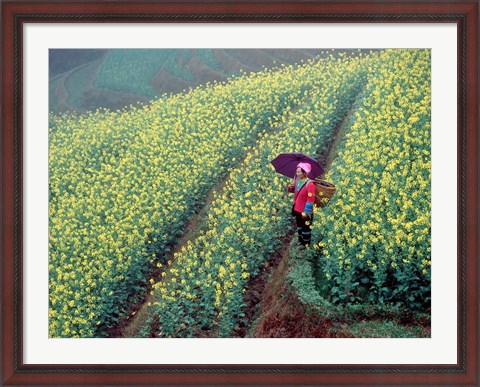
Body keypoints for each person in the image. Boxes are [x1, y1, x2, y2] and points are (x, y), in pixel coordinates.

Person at [287, 162, 316, 248]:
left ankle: (306, 244)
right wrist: (290, 187)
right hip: (297, 208)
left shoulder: (310, 184)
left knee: (306, 228)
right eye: (296, 171)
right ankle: (300, 241)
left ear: (304, 173)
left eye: (299, 172)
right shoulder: (296, 181)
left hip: (305, 210)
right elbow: (294, 192)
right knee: (299, 226)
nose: (297, 173)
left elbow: (311, 199)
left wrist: (306, 212)